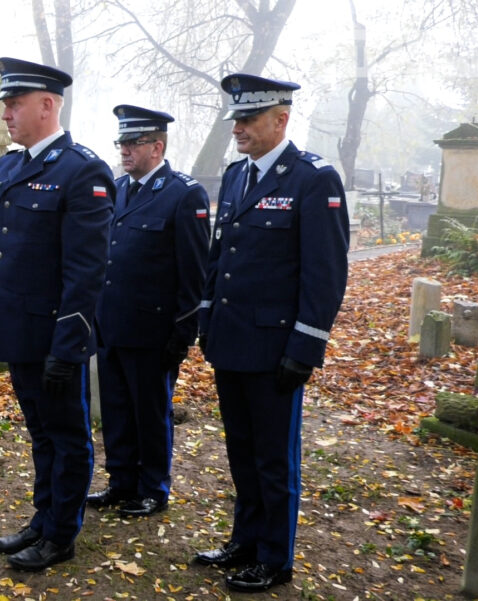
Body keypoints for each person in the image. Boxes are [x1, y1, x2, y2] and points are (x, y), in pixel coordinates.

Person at [0, 57, 114, 572]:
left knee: (68, 436)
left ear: (47, 104)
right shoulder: (12, 165)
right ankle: (43, 519)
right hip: (17, 328)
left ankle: (62, 535)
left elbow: (87, 271)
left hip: (55, 336)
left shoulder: (83, 170)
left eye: (14, 104)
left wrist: (69, 345)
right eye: (5, 105)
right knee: (41, 433)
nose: (6, 115)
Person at [194, 74, 349, 593]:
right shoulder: (237, 176)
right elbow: (221, 261)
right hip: (232, 341)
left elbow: (324, 273)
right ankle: (245, 538)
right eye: (235, 119)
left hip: (277, 347)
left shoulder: (312, 179)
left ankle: (275, 556)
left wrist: (306, 346)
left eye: (248, 119)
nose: (237, 128)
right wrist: (207, 319)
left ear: (280, 119)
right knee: (240, 448)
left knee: (273, 457)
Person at [87, 105, 210, 518]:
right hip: (112, 324)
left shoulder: (183, 194)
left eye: (132, 143)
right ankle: (121, 482)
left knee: (150, 413)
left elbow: (194, 272)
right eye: (121, 142)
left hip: (153, 329)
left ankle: (153, 488)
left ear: (157, 146)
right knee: (118, 411)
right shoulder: (119, 189)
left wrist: (182, 332)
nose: (123, 149)